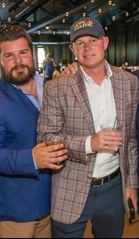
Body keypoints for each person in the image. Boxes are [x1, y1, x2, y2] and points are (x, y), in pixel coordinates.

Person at [37, 17, 138, 238]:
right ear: (73, 49)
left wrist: (131, 185)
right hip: (70, 187)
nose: (87, 47)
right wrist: (89, 143)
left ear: (105, 42)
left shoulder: (129, 82)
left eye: (93, 40)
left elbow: (130, 140)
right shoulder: (56, 87)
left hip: (113, 188)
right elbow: (45, 138)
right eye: (80, 43)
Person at [0, 25, 67, 238]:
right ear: (0, 60)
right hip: (16, 209)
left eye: (23, 53)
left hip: (52, 201)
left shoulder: (52, 87)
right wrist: (32, 158)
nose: (18, 61)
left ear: (32, 54)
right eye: (9, 55)